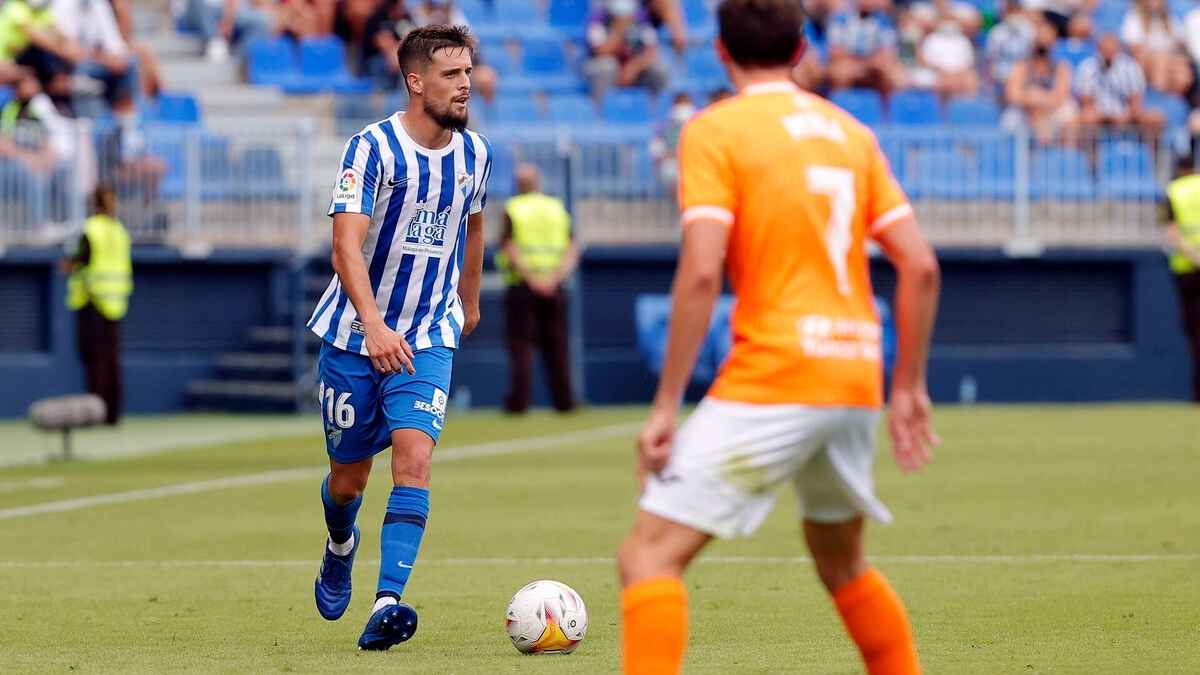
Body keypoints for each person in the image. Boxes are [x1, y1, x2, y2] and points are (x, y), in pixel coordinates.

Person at [615, 1, 941, 674]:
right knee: (842, 561)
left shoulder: (715, 131)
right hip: (855, 374)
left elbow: (703, 270)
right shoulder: (850, 133)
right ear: (800, 51)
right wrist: (906, 384)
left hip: (779, 371)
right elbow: (921, 264)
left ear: (720, 52)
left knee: (647, 556)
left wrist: (665, 404)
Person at [305, 24, 490, 651]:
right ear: (416, 82)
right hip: (356, 337)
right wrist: (375, 324)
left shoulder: (476, 153)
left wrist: (469, 297)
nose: (465, 85)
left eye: (468, 72)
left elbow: (474, 222)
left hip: (427, 335)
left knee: (415, 459)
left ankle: (387, 603)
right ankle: (339, 542)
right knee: (348, 479)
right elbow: (344, 246)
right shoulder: (370, 150)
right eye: (451, 75)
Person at [495, 164, 579, 414]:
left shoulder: (514, 209)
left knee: (521, 347)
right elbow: (572, 247)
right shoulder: (556, 209)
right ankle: (564, 402)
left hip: (522, 287)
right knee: (558, 346)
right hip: (555, 286)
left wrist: (532, 279)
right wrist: (554, 278)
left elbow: (508, 247)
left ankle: (519, 403)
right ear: (538, 182)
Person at [62, 186, 132, 426]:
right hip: (116, 304)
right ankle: (113, 414)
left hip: (93, 302)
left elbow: (80, 260)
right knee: (112, 360)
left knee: (95, 360)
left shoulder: (91, 229)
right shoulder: (119, 231)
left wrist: (68, 265)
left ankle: (96, 413)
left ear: (93, 204)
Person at [1161, 155, 1200, 402]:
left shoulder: (1174, 192)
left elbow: (1172, 234)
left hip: (1188, 270)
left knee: (1195, 332)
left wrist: (1195, 257)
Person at [1075, 32, 1164, 137]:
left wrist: (1125, 115)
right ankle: (1092, 153)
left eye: (1111, 48)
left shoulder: (1131, 67)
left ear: (1117, 49)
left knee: (1155, 118)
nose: (1108, 52)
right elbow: (1087, 103)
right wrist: (1106, 116)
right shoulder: (1088, 67)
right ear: (1099, 49)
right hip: (1099, 114)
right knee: (1087, 117)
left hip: (1127, 113)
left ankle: (1152, 152)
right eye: (1104, 48)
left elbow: (1136, 101)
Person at [1005, 22, 1077, 144]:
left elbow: (1060, 97)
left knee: (1070, 114)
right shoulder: (1021, 66)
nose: (1043, 45)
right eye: (1040, 40)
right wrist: (1033, 100)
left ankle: (1067, 156)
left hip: (1051, 112)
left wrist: (1036, 98)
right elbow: (1012, 95)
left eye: (1047, 41)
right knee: (1011, 119)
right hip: (1025, 112)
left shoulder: (1061, 67)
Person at [585, 0, 669, 101]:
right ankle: (600, 109)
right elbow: (600, 51)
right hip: (610, 70)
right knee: (606, 66)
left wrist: (634, 66)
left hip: (634, 70)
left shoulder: (642, 20)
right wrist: (619, 29)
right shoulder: (598, 19)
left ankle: (653, 108)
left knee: (658, 70)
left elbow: (651, 51)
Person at [826, 0, 906, 96]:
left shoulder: (884, 21)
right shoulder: (840, 19)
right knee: (840, 72)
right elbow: (836, 53)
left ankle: (887, 109)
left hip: (873, 65)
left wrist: (869, 64)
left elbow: (887, 53)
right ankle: (839, 106)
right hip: (849, 63)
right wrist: (859, 64)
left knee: (895, 75)